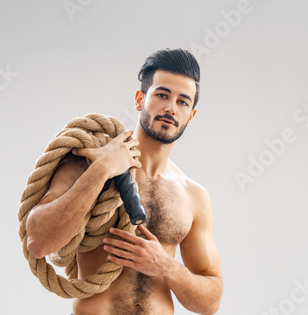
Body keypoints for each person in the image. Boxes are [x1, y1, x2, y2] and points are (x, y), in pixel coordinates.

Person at [25, 48, 223, 315]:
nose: (170, 108)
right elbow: (38, 242)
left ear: (191, 117)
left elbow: (210, 301)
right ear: (140, 99)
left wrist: (165, 266)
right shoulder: (88, 160)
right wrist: (103, 169)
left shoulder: (194, 196)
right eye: (162, 95)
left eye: (182, 102)